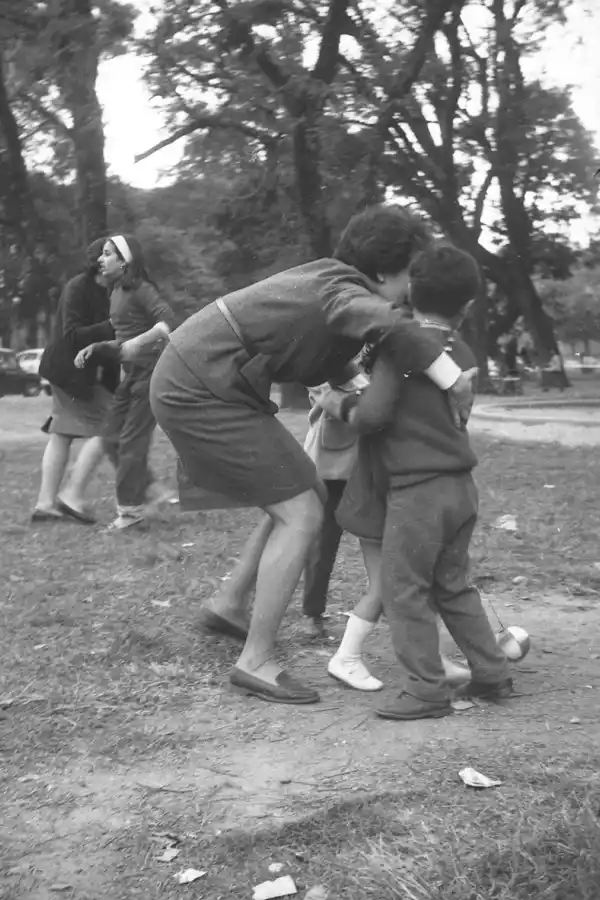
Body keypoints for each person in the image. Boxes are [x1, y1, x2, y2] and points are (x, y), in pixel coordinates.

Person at [149, 204, 477, 706]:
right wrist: (453, 380)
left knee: (303, 487)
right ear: (386, 273)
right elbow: (393, 327)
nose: (412, 288)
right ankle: (255, 660)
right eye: (410, 275)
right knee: (302, 514)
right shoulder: (344, 292)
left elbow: (326, 356)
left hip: (203, 379)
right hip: (199, 387)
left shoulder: (328, 282)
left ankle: (230, 603)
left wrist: (364, 393)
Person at [335, 242, 513, 720]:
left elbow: (371, 416)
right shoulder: (464, 351)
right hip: (460, 486)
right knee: (454, 584)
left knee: (403, 589)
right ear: (470, 305)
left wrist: (337, 404)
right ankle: (492, 672)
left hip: (418, 492)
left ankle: (425, 690)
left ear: (410, 289)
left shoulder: (400, 348)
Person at [303, 366, 471, 691]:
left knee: (416, 576)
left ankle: (434, 657)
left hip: (384, 487)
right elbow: (343, 402)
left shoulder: (390, 364)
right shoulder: (359, 368)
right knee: (386, 581)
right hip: (364, 487)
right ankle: (346, 657)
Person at [74, 234, 176, 530]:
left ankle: (130, 514)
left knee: (131, 441)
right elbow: (123, 336)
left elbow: (167, 324)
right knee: (109, 439)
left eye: (107, 254)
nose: (100, 260)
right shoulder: (116, 292)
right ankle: (153, 493)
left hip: (152, 374)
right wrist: (98, 347)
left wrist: (139, 344)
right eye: (102, 254)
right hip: (131, 376)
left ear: (125, 260)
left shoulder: (143, 290)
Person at [32, 239, 120, 524]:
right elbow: (73, 335)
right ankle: (72, 495)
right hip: (65, 371)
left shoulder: (111, 291)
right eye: (111, 255)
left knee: (63, 433)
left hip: (78, 373)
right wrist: (112, 327)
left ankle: (45, 505)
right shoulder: (78, 288)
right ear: (99, 261)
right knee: (114, 424)